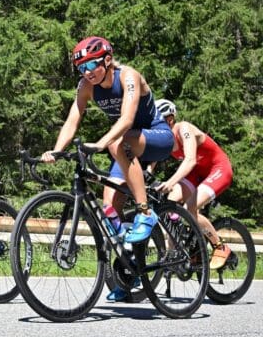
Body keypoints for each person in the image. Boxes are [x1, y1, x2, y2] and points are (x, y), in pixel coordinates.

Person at [41, 36, 174, 276]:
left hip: (157, 137)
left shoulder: (128, 76)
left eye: (91, 65)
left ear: (108, 60)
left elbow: (126, 119)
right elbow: (73, 120)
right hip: (126, 146)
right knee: (109, 206)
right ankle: (130, 268)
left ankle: (145, 212)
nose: (87, 72)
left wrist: (103, 143)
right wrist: (57, 150)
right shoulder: (86, 86)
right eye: (81, 68)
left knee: (116, 143)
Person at [153, 99, 233, 269]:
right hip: (196, 173)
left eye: (158, 122)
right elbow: (151, 162)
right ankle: (178, 251)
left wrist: (170, 182)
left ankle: (220, 247)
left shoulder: (184, 129)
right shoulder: (164, 140)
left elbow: (189, 160)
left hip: (217, 169)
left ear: (170, 119)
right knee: (169, 204)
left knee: (190, 208)